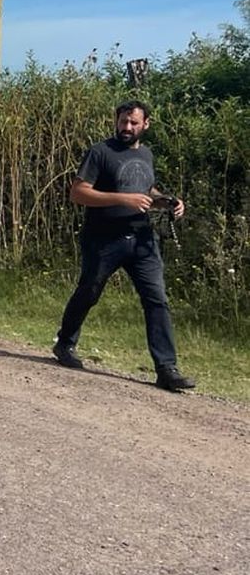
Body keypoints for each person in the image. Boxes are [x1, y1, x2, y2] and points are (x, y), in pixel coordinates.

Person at [52, 100, 193, 392]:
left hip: (142, 239)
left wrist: (167, 201)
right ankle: (65, 343)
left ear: (146, 125)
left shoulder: (147, 155)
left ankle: (167, 368)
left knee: (157, 300)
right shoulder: (100, 152)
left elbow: (145, 190)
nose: (127, 127)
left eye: (133, 123)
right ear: (116, 121)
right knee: (89, 291)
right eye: (123, 121)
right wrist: (122, 199)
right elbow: (78, 193)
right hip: (103, 238)